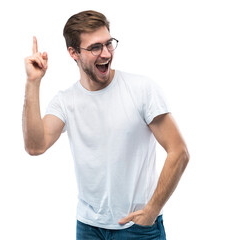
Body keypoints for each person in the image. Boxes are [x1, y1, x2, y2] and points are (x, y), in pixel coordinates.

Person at [23, 10, 189, 240]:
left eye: (108, 44)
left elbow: (179, 152)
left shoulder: (141, 90)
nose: (106, 54)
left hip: (137, 228)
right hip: (88, 227)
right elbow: (35, 146)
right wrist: (33, 83)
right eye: (95, 48)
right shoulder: (66, 101)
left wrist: (151, 210)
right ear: (73, 53)